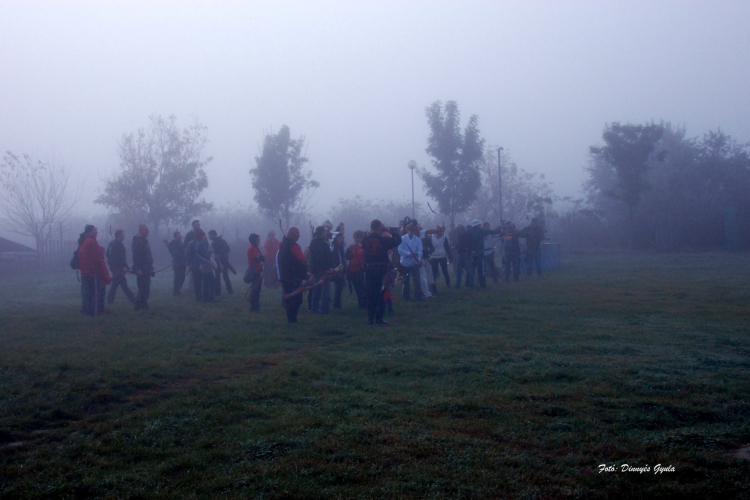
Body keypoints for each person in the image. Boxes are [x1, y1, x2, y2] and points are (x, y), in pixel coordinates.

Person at [361, 219, 402, 325]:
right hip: (382, 270)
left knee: (371, 294)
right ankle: (379, 318)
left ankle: (370, 318)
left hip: (369, 270)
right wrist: (391, 231)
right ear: (379, 227)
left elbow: (362, 243)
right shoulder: (383, 239)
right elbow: (397, 240)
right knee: (383, 293)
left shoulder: (365, 240)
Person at [278, 226, 309, 323]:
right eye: (297, 233)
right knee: (296, 299)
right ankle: (293, 319)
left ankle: (290, 319)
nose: (299, 235)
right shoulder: (294, 246)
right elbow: (302, 260)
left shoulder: (283, 245)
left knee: (289, 298)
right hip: (294, 276)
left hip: (284, 275)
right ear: (292, 234)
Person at [78, 225, 111, 316]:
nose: (97, 232)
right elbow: (96, 258)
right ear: (89, 232)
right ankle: (95, 313)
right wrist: (102, 270)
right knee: (95, 294)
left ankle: (88, 311)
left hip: (86, 272)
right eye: (95, 230)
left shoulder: (85, 241)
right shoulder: (91, 241)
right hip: (92, 272)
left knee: (88, 293)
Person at [466, 219, 503, 288]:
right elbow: (490, 231)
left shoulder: (469, 231)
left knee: (472, 269)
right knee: (481, 270)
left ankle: (468, 283)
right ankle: (482, 285)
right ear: (478, 225)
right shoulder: (480, 230)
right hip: (480, 253)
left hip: (472, 253)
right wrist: (500, 231)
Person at [309, 226, 334, 314]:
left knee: (316, 289)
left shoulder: (313, 242)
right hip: (324, 269)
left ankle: (314, 308)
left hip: (316, 269)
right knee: (325, 289)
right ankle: (324, 309)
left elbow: (312, 256)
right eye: (324, 232)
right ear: (322, 232)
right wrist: (330, 267)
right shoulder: (324, 243)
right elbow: (328, 256)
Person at [106, 229, 135, 304]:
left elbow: (107, 255)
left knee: (118, 284)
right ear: (119, 235)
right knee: (122, 284)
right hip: (118, 268)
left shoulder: (111, 243)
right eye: (123, 234)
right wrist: (128, 268)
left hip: (113, 268)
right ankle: (133, 299)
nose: (124, 236)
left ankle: (110, 299)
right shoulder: (119, 244)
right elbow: (121, 258)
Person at [398, 220, 424, 301]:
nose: (411, 232)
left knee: (417, 281)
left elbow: (420, 251)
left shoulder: (418, 240)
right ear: (407, 230)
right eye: (410, 230)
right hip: (404, 263)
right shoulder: (402, 238)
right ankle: (406, 296)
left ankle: (418, 296)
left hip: (414, 263)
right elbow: (400, 250)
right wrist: (409, 254)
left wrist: (419, 259)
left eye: (413, 230)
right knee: (405, 281)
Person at [132, 224, 155, 311]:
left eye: (147, 229)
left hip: (147, 267)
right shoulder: (138, 241)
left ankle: (143, 304)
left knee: (146, 288)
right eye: (145, 230)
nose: (147, 231)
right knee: (143, 288)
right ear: (140, 231)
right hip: (142, 268)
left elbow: (147, 255)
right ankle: (138, 306)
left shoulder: (144, 240)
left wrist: (151, 266)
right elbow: (136, 256)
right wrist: (137, 269)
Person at [209, 229, 234, 296]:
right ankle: (230, 291)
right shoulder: (223, 240)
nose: (209, 237)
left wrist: (220, 263)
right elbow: (228, 249)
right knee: (226, 276)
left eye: (209, 235)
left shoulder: (214, 243)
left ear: (213, 235)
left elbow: (217, 254)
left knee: (217, 277)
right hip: (225, 260)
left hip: (219, 261)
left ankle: (217, 292)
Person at [345, 230, 366, 309]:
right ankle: (361, 304)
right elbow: (347, 257)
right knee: (357, 288)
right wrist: (349, 250)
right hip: (353, 270)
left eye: (358, 237)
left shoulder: (364, 245)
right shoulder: (352, 246)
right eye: (355, 237)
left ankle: (364, 303)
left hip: (361, 270)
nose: (356, 239)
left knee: (363, 288)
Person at [194, 230, 216, 303]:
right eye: (203, 235)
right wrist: (211, 251)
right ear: (201, 236)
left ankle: (207, 298)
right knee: (210, 282)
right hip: (205, 264)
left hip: (204, 264)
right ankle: (209, 298)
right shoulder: (200, 244)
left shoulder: (199, 244)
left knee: (207, 282)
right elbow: (205, 254)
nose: (205, 237)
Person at [429, 226, 452, 293]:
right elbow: (429, 246)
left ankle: (448, 286)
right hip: (434, 257)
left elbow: (447, 247)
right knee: (434, 273)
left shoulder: (444, 237)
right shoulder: (431, 237)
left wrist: (450, 257)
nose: (438, 233)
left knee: (445, 272)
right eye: (436, 232)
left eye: (439, 232)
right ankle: (434, 288)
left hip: (442, 257)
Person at [246, 233, 264, 312]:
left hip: (258, 271)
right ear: (253, 240)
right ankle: (253, 307)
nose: (259, 241)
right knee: (255, 290)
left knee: (257, 290)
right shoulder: (251, 248)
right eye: (257, 240)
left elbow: (261, 258)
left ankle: (255, 306)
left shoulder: (256, 248)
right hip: (255, 272)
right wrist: (261, 258)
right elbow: (255, 259)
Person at [164, 231, 186, 296]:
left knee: (182, 277)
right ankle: (176, 292)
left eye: (180, 235)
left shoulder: (180, 243)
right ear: (175, 236)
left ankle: (178, 291)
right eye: (179, 235)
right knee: (178, 278)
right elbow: (176, 254)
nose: (181, 236)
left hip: (182, 263)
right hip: (178, 263)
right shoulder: (174, 244)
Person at [184, 220, 202, 299]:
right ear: (193, 226)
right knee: (192, 273)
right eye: (197, 224)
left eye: (199, 224)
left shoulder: (201, 233)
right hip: (192, 257)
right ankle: (191, 287)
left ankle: (199, 286)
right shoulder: (189, 235)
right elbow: (186, 246)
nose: (198, 225)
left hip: (200, 257)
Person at [454, 225, 474, 289]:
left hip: (466, 255)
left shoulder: (468, 235)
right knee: (458, 270)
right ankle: (458, 285)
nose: (458, 231)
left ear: (461, 229)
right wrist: (455, 247)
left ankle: (472, 285)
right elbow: (459, 244)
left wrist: (468, 251)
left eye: (458, 229)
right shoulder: (458, 236)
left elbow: (470, 245)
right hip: (459, 254)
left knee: (469, 270)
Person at [331, 232, 347, 309]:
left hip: (341, 268)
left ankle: (337, 303)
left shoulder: (341, 248)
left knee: (340, 287)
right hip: (336, 269)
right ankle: (336, 304)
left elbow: (343, 259)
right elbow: (334, 260)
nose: (340, 240)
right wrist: (337, 270)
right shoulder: (334, 248)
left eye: (341, 238)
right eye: (339, 238)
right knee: (338, 287)